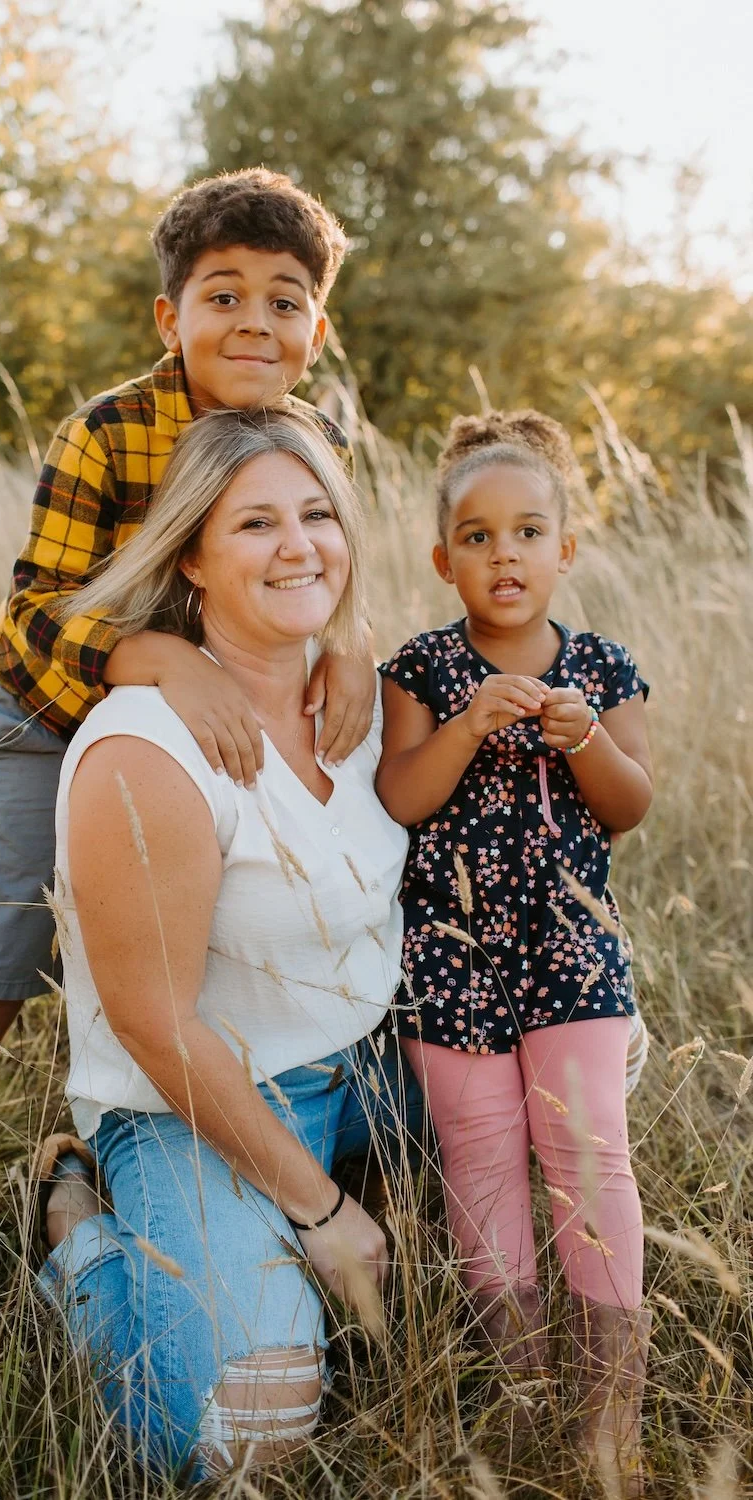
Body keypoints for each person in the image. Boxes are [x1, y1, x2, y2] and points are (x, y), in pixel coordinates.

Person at [0, 169, 379, 1276]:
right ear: (169, 317)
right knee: (2, 943)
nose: (253, 322)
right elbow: (35, 611)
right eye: (222, 295)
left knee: (201, 936)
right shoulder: (109, 430)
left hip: (220, 709)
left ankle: (138, 1136)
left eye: (284, 300)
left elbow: (322, 569)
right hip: (49, 704)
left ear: (317, 330)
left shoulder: (311, 435)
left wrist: (351, 650)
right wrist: (150, 657)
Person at [36, 405, 423, 1482]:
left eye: (317, 514)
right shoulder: (145, 750)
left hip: (372, 1069)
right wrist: (324, 1210)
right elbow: (155, 1025)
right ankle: (80, 1239)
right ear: (193, 560)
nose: (299, 546)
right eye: (255, 524)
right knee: (248, 1431)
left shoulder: (363, 702)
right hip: (190, 1105)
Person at [376, 411, 653, 1494]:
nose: (505, 556)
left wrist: (580, 735)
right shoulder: (420, 668)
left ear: (565, 550)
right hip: (450, 956)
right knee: (483, 1160)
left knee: (587, 1157)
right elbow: (401, 797)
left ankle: (608, 1408)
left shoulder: (604, 667)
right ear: (444, 560)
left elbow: (630, 805)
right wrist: (461, 726)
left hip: (572, 951)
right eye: (478, 538)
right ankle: (521, 1385)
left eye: (528, 532)